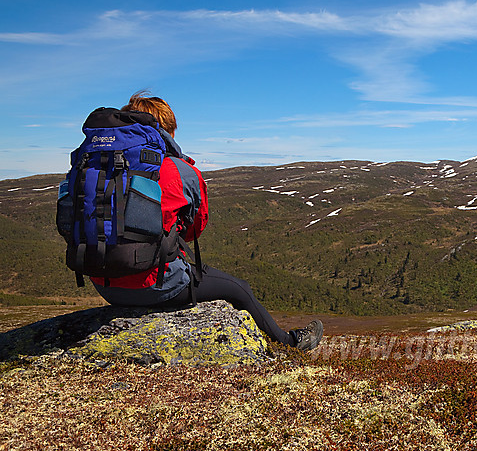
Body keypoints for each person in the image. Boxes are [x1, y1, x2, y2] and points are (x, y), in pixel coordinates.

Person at [89, 92, 323, 350]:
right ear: (169, 130)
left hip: (105, 284)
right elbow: (193, 230)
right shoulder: (179, 170)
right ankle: (289, 344)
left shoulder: (96, 168)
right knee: (239, 289)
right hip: (156, 285)